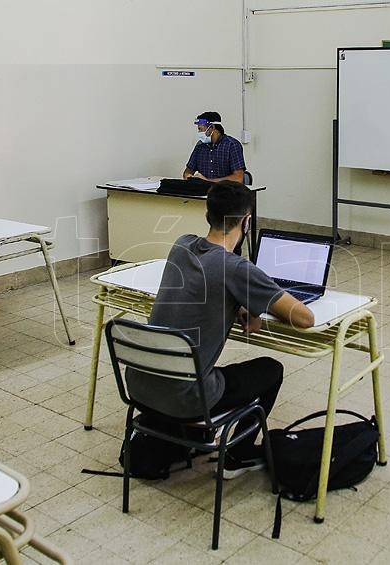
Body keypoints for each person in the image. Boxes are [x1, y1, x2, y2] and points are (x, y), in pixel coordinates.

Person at [127, 180, 314, 478]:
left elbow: (207, 288)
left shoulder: (181, 245)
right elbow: (305, 318)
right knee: (270, 370)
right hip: (187, 397)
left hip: (139, 385)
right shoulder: (236, 268)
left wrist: (241, 303)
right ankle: (237, 456)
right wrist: (252, 303)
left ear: (207, 215)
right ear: (247, 221)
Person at [182, 111, 246, 184]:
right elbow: (188, 171)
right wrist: (189, 177)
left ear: (211, 127)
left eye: (200, 129)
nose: (199, 132)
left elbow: (238, 178)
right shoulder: (200, 146)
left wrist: (207, 181)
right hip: (203, 189)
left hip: (226, 189)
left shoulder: (232, 145)